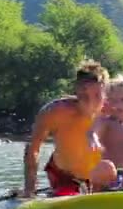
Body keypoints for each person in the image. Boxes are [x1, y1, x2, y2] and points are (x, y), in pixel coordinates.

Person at [22, 60, 110, 198]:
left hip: (96, 178)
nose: (91, 103)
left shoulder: (112, 114)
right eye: (85, 96)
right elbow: (32, 149)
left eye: (97, 96)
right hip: (63, 175)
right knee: (69, 193)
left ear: (105, 94)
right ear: (77, 91)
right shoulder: (55, 111)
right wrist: (30, 189)